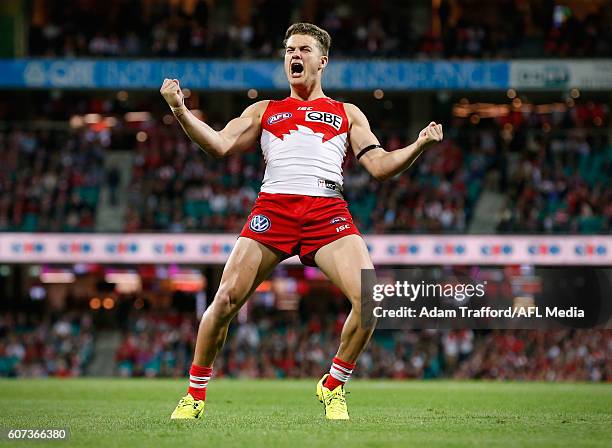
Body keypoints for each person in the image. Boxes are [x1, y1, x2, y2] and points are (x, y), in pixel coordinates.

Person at [161, 22, 443, 420]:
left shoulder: (346, 113)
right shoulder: (265, 110)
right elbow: (219, 144)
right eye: (289, 49)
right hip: (273, 210)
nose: (294, 55)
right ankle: (194, 395)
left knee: (370, 300)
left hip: (327, 211)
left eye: (304, 49)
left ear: (322, 60)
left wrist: (419, 144)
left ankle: (333, 384)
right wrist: (179, 109)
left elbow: (379, 166)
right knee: (224, 301)